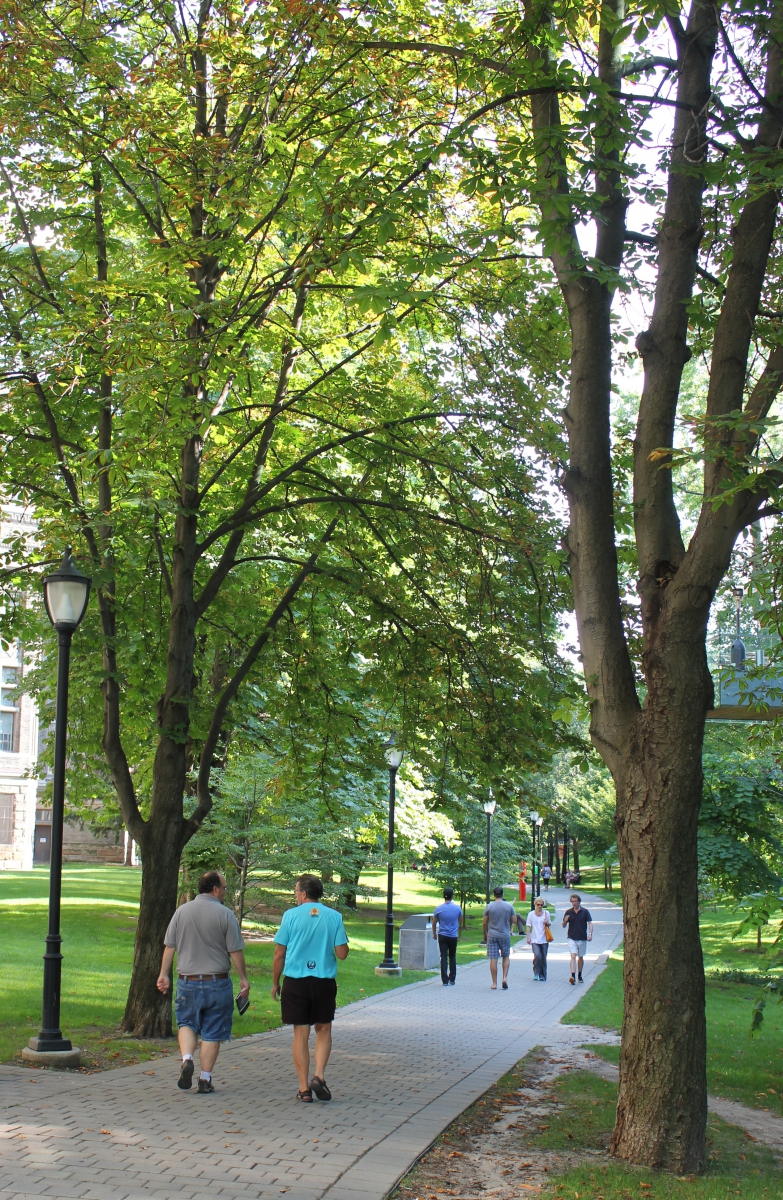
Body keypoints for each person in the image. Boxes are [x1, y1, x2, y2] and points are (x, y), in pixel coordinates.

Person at [157, 870, 250, 1094]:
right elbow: (235, 951)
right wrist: (243, 979)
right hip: (217, 982)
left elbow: (170, 946)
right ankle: (205, 1079)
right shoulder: (225, 914)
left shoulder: (182, 912)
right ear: (215, 888)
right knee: (212, 1032)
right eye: (225, 888)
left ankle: (187, 1058)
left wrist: (164, 974)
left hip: (187, 981)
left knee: (187, 1024)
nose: (225, 892)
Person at [272, 873, 349, 1103]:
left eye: (296, 891)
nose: (296, 895)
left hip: (296, 983)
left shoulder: (290, 916)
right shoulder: (334, 917)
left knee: (301, 1033)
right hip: (323, 982)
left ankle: (304, 1089)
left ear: (303, 893)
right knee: (324, 1029)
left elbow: (279, 953)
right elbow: (342, 954)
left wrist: (276, 982)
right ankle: (319, 1076)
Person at [482, 885, 517, 990]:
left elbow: (484, 923)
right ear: (503, 894)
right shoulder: (509, 906)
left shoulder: (489, 907)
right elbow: (515, 920)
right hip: (504, 935)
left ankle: (494, 983)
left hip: (492, 935)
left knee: (493, 958)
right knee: (506, 956)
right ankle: (505, 977)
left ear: (494, 895)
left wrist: (485, 934)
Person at [432, 887, 462, 986]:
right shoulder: (457, 908)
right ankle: (452, 979)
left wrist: (434, 934)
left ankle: (444, 980)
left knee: (443, 956)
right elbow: (460, 920)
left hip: (442, 935)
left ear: (443, 896)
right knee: (452, 956)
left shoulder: (438, 909)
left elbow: (434, 923)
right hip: (453, 936)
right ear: (452, 896)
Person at [562, 892, 593, 984]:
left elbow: (590, 923)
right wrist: (565, 920)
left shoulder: (585, 912)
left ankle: (580, 975)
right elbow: (563, 926)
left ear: (579, 902)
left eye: (575, 901)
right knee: (573, 956)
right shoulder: (568, 912)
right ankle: (573, 975)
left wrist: (590, 934)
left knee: (580, 957)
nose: (574, 903)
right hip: (571, 937)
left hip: (582, 937)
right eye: (572, 901)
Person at [525, 896, 552, 981]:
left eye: (541, 904)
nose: (539, 906)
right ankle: (536, 972)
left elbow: (549, 924)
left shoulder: (546, 913)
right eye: (538, 904)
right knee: (537, 955)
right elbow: (528, 926)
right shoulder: (531, 914)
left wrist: (546, 922)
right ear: (535, 904)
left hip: (544, 938)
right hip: (535, 938)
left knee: (543, 957)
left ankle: (543, 975)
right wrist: (528, 937)